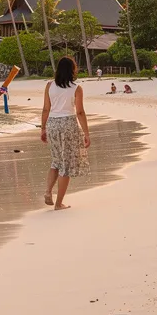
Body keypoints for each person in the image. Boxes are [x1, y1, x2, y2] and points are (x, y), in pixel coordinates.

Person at [40, 56, 90, 210]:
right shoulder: (76, 88)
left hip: (53, 124)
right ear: (72, 70)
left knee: (56, 160)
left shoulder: (49, 85)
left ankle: (48, 192)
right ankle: (58, 203)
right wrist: (87, 133)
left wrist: (43, 128)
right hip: (68, 124)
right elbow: (80, 112)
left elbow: (46, 109)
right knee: (66, 165)